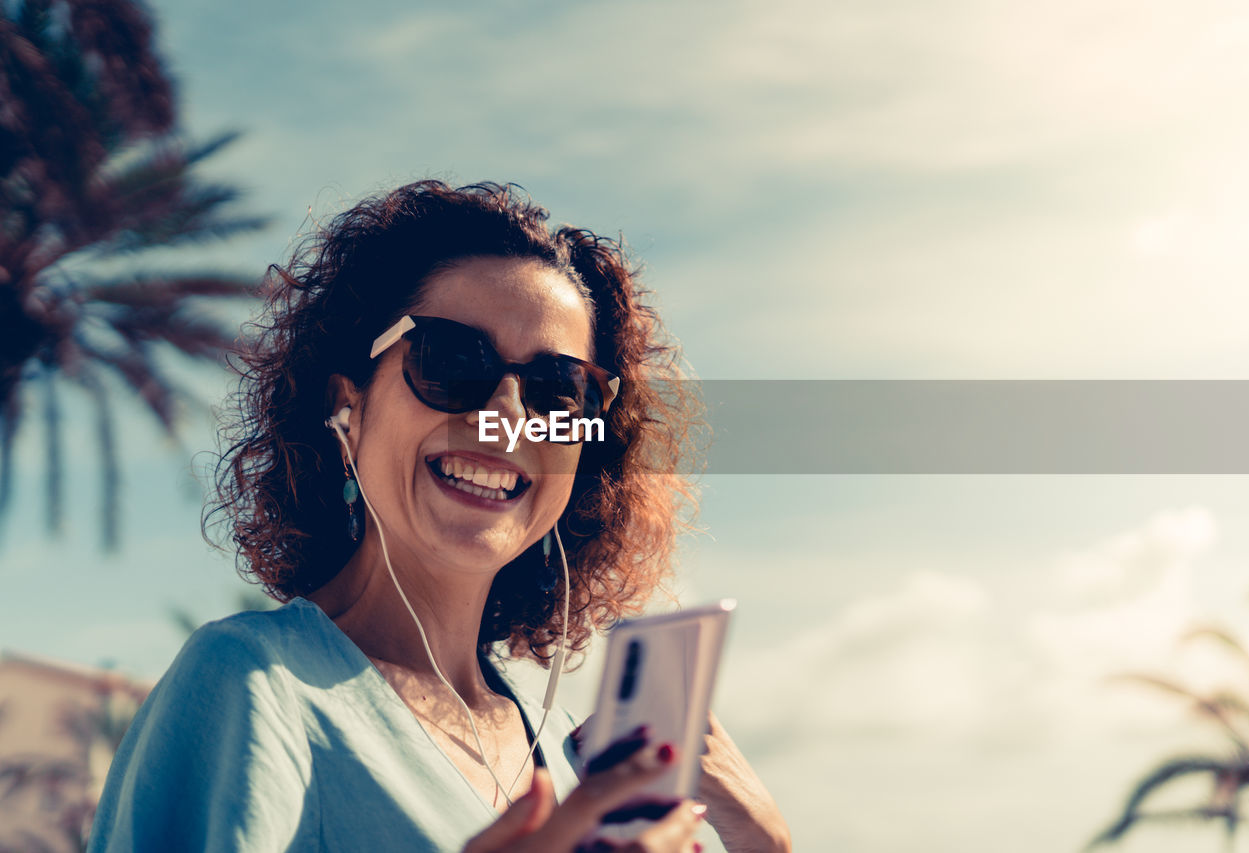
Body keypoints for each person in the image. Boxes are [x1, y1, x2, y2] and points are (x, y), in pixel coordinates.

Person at [87, 180, 791, 852]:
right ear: (347, 408)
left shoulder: (580, 758)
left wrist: (765, 841)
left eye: (557, 391)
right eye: (453, 360)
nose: (506, 417)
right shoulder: (250, 683)